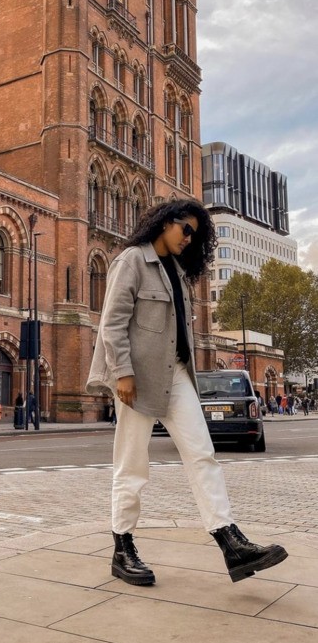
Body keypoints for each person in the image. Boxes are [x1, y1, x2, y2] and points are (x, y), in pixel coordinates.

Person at [86, 199, 287, 586]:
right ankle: (122, 549)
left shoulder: (177, 272)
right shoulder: (131, 260)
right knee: (132, 466)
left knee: (202, 454)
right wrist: (123, 373)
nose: (189, 238)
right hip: (138, 377)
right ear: (164, 223)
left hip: (176, 374)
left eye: (196, 234)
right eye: (186, 229)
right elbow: (112, 324)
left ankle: (231, 542)